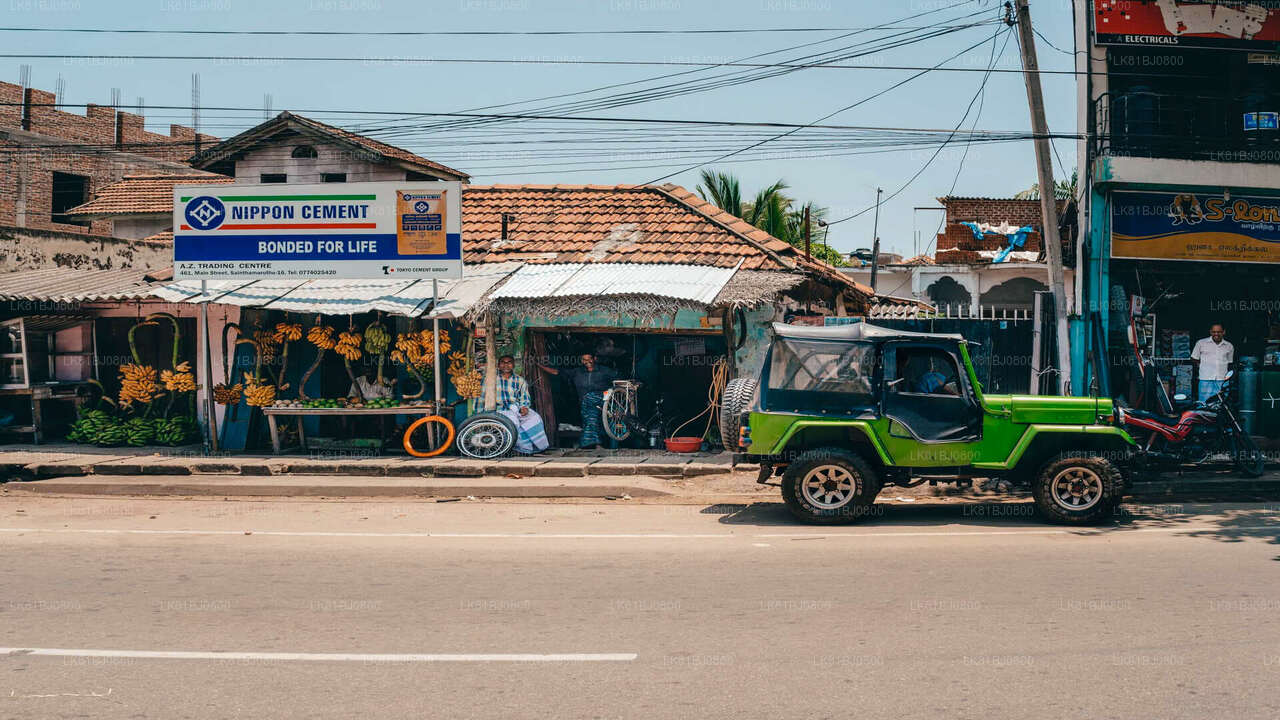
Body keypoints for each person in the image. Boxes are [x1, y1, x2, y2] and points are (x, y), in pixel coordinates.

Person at [539, 352, 618, 449]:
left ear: (595, 358)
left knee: (590, 406)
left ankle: (592, 444)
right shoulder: (577, 372)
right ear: (581, 361)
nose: (587, 362)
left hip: (602, 400)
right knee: (591, 417)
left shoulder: (605, 371)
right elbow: (557, 372)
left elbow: (618, 379)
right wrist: (539, 366)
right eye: (584, 360)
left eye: (589, 359)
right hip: (586, 404)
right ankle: (596, 444)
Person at [495, 355, 549, 454]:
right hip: (499, 410)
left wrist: (524, 407)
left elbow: (524, 397)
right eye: (503, 362)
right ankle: (521, 448)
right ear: (498, 365)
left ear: (513, 365)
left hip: (516, 408)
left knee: (534, 417)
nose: (506, 365)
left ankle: (539, 446)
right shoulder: (492, 380)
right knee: (513, 421)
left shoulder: (519, 380)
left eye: (509, 362)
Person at [1191, 323, 1233, 402]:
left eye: (1219, 332)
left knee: (1222, 404)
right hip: (1205, 380)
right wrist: (1202, 366)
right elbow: (1194, 358)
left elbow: (1230, 363)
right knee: (1204, 403)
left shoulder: (1229, 346)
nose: (1216, 334)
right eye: (1214, 332)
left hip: (1222, 381)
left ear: (1224, 332)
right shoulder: (1201, 343)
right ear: (1210, 332)